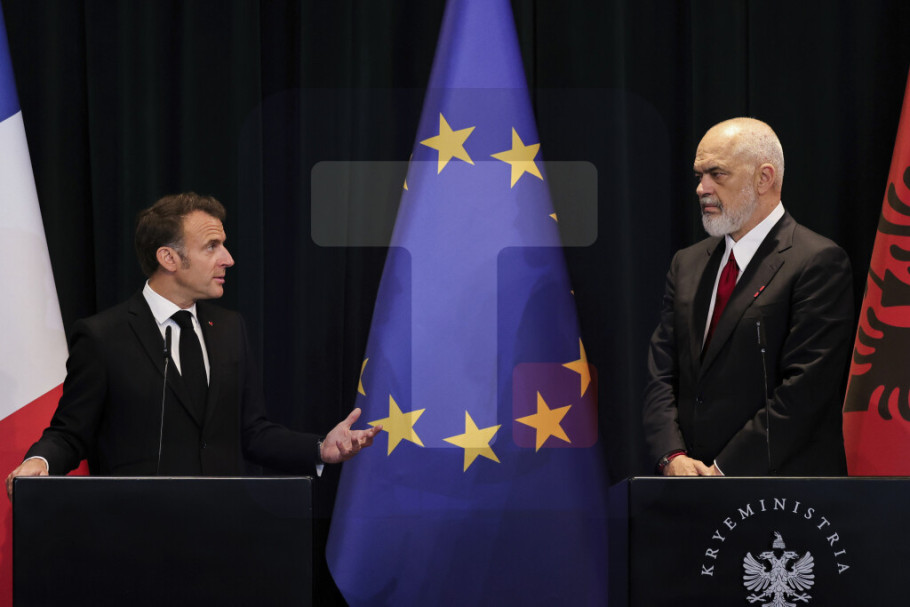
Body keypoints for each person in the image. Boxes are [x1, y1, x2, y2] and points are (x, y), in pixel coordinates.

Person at [6, 192, 380, 498]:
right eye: (211, 246)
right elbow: (71, 431)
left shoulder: (230, 328)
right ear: (168, 257)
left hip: (223, 530)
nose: (228, 259)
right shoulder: (103, 336)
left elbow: (253, 432)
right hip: (135, 532)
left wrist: (319, 448)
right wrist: (40, 461)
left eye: (224, 245)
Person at [643, 118, 854, 477]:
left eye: (717, 174)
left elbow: (805, 390)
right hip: (689, 486)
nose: (702, 188)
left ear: (764, 178)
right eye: (699, 175)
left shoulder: (818, 261)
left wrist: (722, 471)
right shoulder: (687, 263)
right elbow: (661, 372)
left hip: (780, 491)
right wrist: (672, 456)